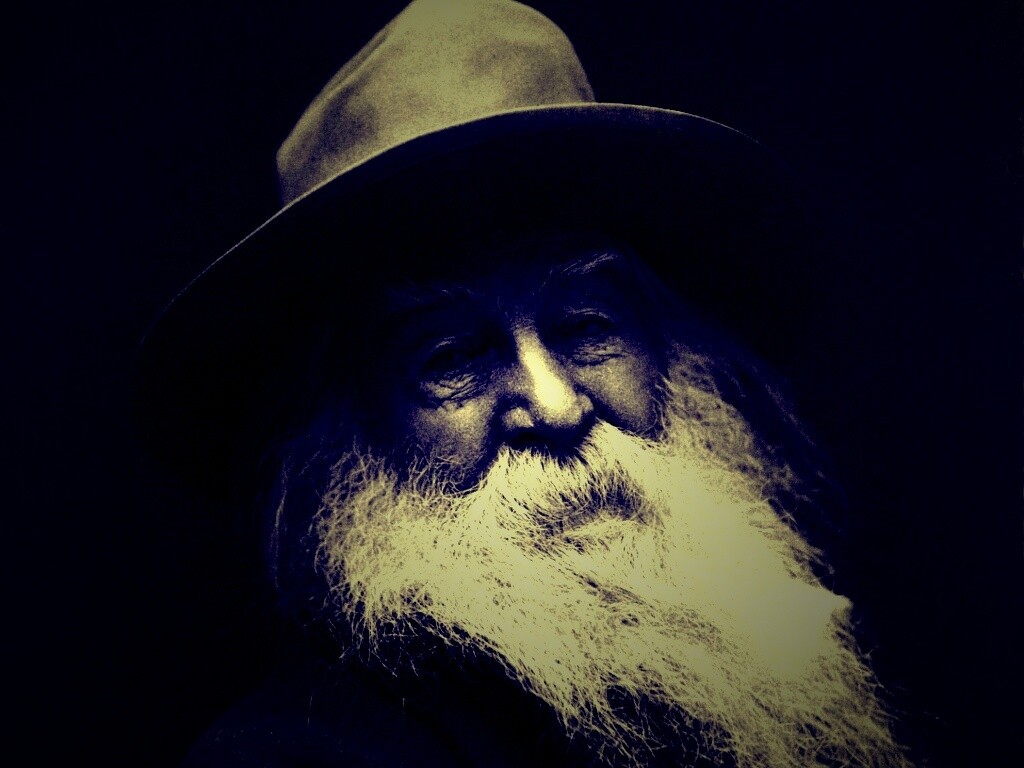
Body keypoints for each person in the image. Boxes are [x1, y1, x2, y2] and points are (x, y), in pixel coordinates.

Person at [136, 1, 913, 766]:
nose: (556, 406)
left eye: (586, 326)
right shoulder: (299, 755)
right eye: (452, 359)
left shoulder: (792, 673)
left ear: (671, 352)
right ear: (350, 442)